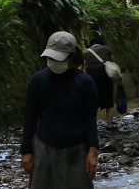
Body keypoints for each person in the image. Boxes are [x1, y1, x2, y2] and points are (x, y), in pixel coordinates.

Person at [21, 31, 99, 188]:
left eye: (58, 57)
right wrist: (26, 151)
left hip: (76, 148)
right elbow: (30, 116)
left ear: (70, 57)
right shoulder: (38, 79)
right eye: (51, 57)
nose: (54, 60)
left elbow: (90, 118)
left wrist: (92, 152)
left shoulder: (84, 82)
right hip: (44, 146)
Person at [83, 35, 117, 131]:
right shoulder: (106, 48)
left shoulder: (86, 52)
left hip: (91, 76)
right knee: (108, 100)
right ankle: (109, 125)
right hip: (104, 74)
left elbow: (83, 65)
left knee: (93, 100)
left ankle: (92, 125)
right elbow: (112, 62)